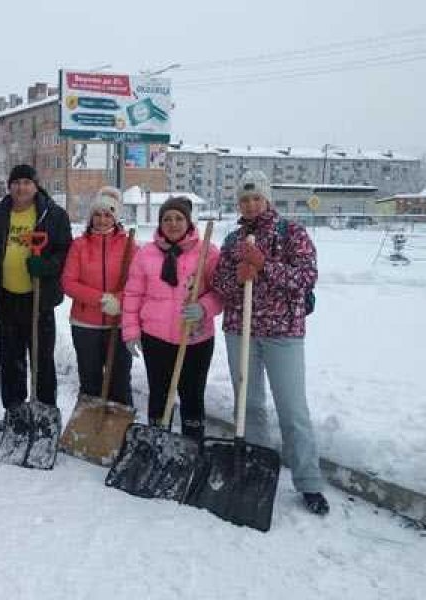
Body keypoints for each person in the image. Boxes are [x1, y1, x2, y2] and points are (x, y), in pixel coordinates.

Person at [211, 170, 329, 516]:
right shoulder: (232, 240)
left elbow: (306, 278)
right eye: (244, 199)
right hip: (240, 330)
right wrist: (238, 277)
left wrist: (265, 266)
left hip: (283, 333)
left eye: (256, 198)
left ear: (267, 199)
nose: (249, 205)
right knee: (249, 404)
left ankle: (309, 482)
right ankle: (256, 468)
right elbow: (221, 286)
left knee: (292, 408)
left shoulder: (291, 233)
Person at [121, 196, 222, 440]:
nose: (173, 223)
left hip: (195, 338)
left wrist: (204, 307)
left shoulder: (207, 251)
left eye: (179, 218)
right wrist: (131, 331)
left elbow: (221, 293)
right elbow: (133, 294)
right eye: (167, 219)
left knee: (193, 394)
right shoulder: (146, 253)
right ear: (159, 223)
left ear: (188, 222)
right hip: (155, 338)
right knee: (159, 393)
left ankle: (192, 444)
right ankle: (157, 440)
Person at [0, 164, 72, 419]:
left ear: (36, 186)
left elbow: (65, 252)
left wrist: (45, 266)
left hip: (39, 300)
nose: (21, 187)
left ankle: (45, 411)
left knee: (42, 359)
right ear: (9, 186)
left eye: (27, 182)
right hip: (7, 298)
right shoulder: (0, 214)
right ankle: (15, 410)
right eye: (16, 182)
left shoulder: (53, 215)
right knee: (10, 360)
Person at [61, 187, 135, 405]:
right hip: (85, 326)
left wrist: (119, 301)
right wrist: (103, 299)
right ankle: (88, 435)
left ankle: (120, 434)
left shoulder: (129, 246)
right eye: (97, 214)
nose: (102, 219)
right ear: (91, 216)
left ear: (115, 218)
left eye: (108, 214)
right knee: (90, 384)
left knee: (119, 384)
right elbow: (68, 282)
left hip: (119, 325)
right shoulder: (79, 245)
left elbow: (136, 284)